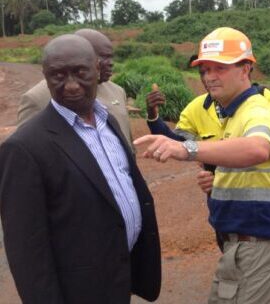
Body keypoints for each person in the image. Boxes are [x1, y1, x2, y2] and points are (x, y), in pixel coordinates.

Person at [0, 34, 161, 303]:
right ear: (45, 76)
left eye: (80, 72)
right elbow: (27, 250)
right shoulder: (23, 147)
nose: (71, 85)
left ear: (97, 70)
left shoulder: (106, 121)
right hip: (77, 291)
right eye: (58, 75)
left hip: (119, 277)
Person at [135, 27, 270, 303]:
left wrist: (186, 149)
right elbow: (226, 160)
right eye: (205, 69)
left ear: (246, 68)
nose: (209, 77)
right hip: (235, 242)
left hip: (258, 243)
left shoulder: (256, 109)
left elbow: (257, 147)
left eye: (219, 67)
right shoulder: (225, 111)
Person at [17, 28, 134, 151]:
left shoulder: (117, 91)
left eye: (110, 57)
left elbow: (127, 142)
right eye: (104, 57)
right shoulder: (37, 98)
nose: (110, 63)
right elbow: (27, 150)